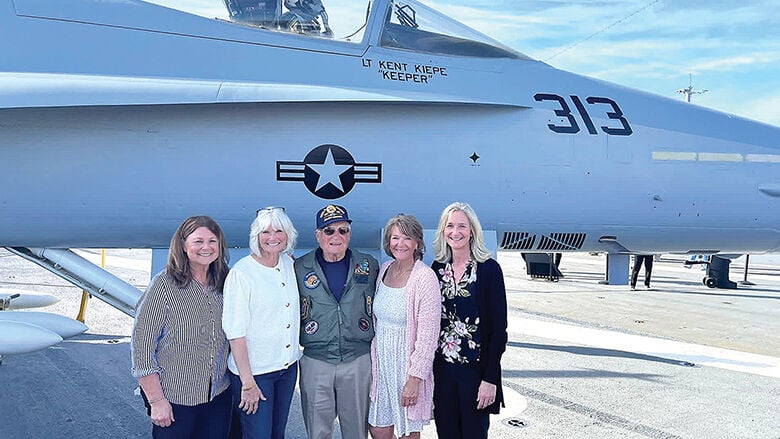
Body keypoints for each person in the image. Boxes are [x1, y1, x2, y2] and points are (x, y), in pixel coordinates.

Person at [131, 215, 232, 438]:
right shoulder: (164, 284)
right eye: (198, 241)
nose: (206, 247)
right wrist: (157, 401)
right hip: (175, 400)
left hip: (218, 397)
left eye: (212, 241)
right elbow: (142, 347)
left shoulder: (226, 282)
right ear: (184, 245)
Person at [294, 204, 378, 439]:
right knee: (318, 430)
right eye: (329, 230)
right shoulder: (300, 268)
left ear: (350, 233)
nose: (336, 236)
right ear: (317, 235)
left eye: (343, 230)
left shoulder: (368, 265)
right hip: (316, 359)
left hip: (357, 360)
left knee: (356, 431)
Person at [222, 207, 301, 439]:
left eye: (279, 231)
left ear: (288, 235)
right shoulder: (242, 273)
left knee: (277, 433)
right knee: (257, 435)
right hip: (256, 374)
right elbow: (235, 333)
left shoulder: (288, 263)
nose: (273, 237)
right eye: (265, 232)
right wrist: (247, 383)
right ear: (256, 236)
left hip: (286, 370)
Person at [430, 202, 508, 439]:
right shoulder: (437, 269)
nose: (456, 231)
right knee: (446, 434)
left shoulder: (489, 270)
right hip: (443, 373)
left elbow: (498, 331)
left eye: (462, 226)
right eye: (450, 225)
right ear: (443, 231)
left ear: (472, 230)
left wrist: (490, 379)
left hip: (475, 374)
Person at [368, 214, 440, 439]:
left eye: (407, 238)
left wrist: (415, 379)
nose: (400, 244)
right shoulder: (385, 269)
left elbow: (428, 338)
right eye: (395, 238)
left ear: (417, 242)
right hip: (382, 365)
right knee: (378, 427)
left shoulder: (425, 278)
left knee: (408, 433)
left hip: (406, 367)